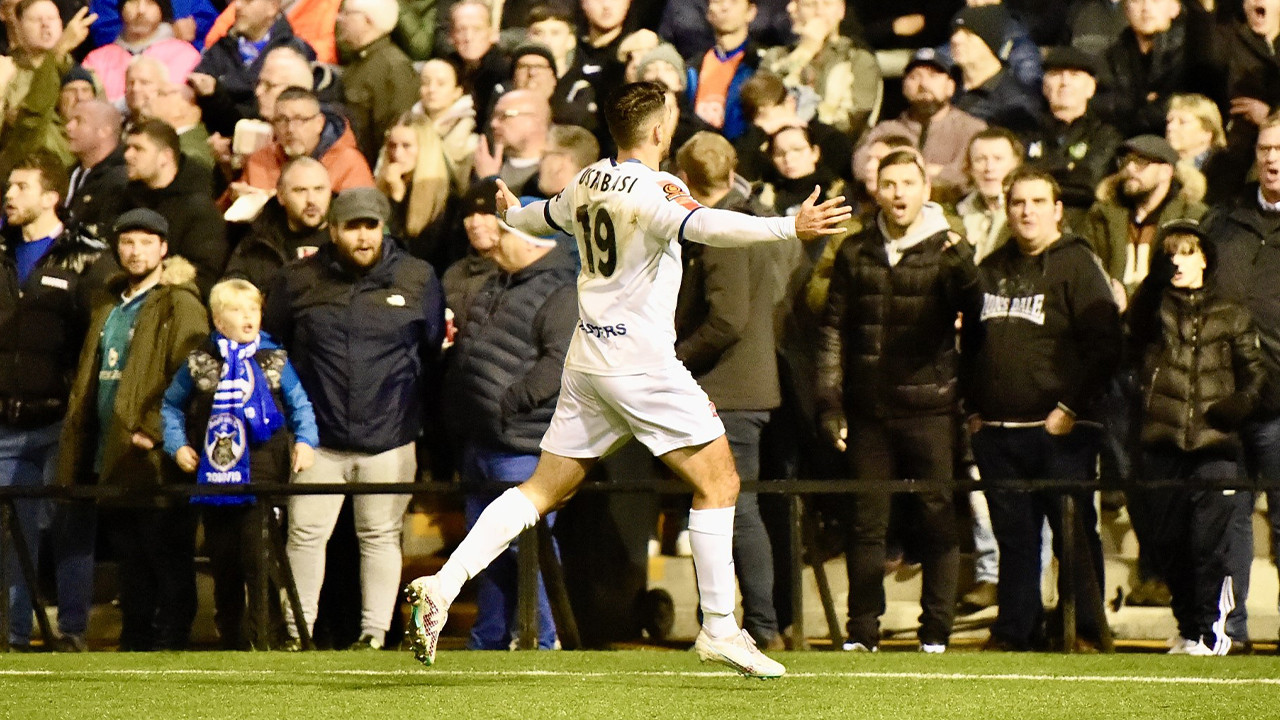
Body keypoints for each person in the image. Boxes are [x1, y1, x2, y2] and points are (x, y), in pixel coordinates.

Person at [403, 81, 851, 678]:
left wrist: (510, 212)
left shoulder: (587, 181)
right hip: (642, 365)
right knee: (718, 482)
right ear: (661, 130)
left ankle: (445, 581)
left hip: (588, 364)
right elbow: (712, 227)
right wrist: (787, 228)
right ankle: (720, 629)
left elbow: (545, 214)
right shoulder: (655, 192)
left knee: (541, 490)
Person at [262, 187, 444, 651]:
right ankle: (296, 632)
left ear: (385, 228)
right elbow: (272, 347)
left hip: (391, 436)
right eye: (352, 226)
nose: (363, 237)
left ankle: (375, 635)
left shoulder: (416, 277)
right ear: (332, 229)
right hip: (316, 439)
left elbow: (431, 348)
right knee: (304, 536)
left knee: (381, 537)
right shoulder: (297, 279)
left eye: (371, 226)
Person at [816, 147, 978, 653]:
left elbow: (976, 316)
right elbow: (832, 331)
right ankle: (861, 632)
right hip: (868, 410)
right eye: (889, 184)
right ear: (876, 190)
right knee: (866, 524)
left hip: (931, 406)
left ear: (926, 189)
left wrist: (966, 268)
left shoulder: (951, 248)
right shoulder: (855, 250)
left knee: (937, 517)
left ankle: (936, 633)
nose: (898, 193)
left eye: (908, 183)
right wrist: (829, 401)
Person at [962, 168, 1122, 652]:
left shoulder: (1077, 263)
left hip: (1061, 432)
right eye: (1018, 202)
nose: (1026, 211)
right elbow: (969, 344)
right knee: (1015, 541)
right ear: (1006, 209)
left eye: (1037, 201)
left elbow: (1106, 344)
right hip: (998, 432)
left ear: (1057, 210)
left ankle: (1086, 631)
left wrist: (1070, 407)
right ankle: (1016, 631)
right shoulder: (989, 267)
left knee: (1074, 537)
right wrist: (972, 407)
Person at [57, 208, 211, 651]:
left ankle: (172, 636)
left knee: (166, 552)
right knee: (130, 556)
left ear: (164, 248)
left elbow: (191, 373)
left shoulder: (179, 302)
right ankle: (137, 635)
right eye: (127, 241)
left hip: (155, 454)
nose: (135, 250)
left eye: (146, 241)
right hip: (112, 450)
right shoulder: (107, 303)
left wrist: (157, 429)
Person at [674, 131, 789, 651]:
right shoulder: (751, 219)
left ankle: (759, 625)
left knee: (732, 510)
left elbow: (726, 320)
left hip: (729, 392)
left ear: (687, 178)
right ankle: (730, 620)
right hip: (747, 387)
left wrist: (672, 361)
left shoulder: (719, 231)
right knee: (731, 508)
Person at [1127, 220, 1263, 656]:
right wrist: (1153, 281)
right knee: (1168, 544)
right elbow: (1134, 331)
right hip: (1163, 443)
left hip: (1216, 447)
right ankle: (1188, 628)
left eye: (1186, 252)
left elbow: (1255, 372)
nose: (1178, 262)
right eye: (1170, 253)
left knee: (1209, 544)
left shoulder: (1232, 310)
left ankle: (1210, 630)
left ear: (1204, 257)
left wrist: (1238, 406)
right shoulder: (1154, 307)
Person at [160, 278, 319, 649]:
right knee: (224, 559)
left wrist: (307, 442)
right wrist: (177, 446)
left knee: (260, 559)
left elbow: (300, 406)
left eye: (254, 309)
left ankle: (270, 637)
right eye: (237, 310)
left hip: (264, 470)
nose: (248, 318)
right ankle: (230, 638)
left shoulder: (274, 359)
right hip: (216, 474)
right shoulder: (201, 361)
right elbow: (170, 405)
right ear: (218, 320)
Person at [443, 217, 577, 651]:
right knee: (485, 547)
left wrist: (510, 403)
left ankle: (544, 636)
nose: (495, 241)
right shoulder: (496, 282)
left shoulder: (562, 293)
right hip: (481, 439)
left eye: (505, 234)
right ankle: (489, 637)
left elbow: (559, 362)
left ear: (535, 245)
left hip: (522, 443)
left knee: (526, 545)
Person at [0, 152, 112, 652]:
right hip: (6, 420)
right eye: (8, 186)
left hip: (62, 421)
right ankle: (15, 632)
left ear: (51, 197)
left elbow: (99, 336)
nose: (8, 195)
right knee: (12, 533)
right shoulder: (1, 253)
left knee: (69, 527)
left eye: (20, 187)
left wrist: (83, 409)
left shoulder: (86, 258)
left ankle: (71, 632)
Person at [853, 48, 987, 204]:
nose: (923, 84)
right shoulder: (885, 130)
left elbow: (966, 175)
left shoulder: (971, 129)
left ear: (951, 86)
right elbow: (861, 168)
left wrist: (898, 171)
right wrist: (935, 170)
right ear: (904, 87)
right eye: (914, 77)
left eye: (933, 76)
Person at [1083, 134, 1206, 297]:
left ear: (1166, 171)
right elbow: (1089, 270)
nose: (1130, 169)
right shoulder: (1102, 214)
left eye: (1141, 162)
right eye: (1125, 161)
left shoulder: (1191, 216)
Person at [122, 118, 227, 295]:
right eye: (127, 148)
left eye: (138, 149)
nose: (127, 155)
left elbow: (204, 275)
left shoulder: (198, 207)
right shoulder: (126, 197)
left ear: (166, 157)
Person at [224, 156, 331, 293]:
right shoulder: (260, 239)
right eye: (300, 190)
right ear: (280, 196)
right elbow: (231, 292)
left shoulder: (346, 235)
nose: (311, 200)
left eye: (319, 189)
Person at [336, 0, 419, 164]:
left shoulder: (393, 67)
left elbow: (394, 131)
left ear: (368, 21)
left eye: (347, 13)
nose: (339, 19)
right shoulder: (357, 61)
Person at [82, 0, 201, 104]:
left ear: (162, 10)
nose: (141, 10)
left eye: (150, 3)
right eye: (133, 2)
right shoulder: (97, 60)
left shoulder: (185, 55)